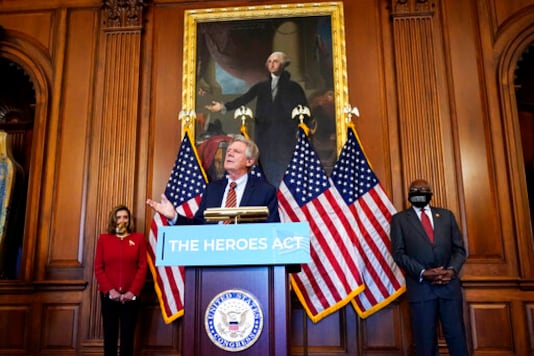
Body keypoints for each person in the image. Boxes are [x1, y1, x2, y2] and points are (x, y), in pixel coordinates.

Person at [205, 51, 308, 186]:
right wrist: (223, 107)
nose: (272, 64)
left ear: (283, 65)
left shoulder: (294, 88)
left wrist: (302, 130)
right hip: (264, 137)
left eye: (276, 61)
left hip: (285, 137)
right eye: (270, 61)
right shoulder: (262, 86)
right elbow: (244, 99)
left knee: (284, 169)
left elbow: (304, 111)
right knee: (266, 169)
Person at [390, 179, 468, 356]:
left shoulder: (446, 216)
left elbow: (459, 250)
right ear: (409, 194)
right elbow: (398, 254)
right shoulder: (399, 220)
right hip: (421, 289)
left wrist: (452, 270)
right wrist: (423, 272)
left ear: (430, 194)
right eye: (415, 190)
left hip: (449, 288)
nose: (419, 192)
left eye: (423, 190)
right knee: (425, 343)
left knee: (457, 340)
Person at [146, 134, 280, 224]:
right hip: (213, 259)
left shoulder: (265, 192)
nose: (229, 154)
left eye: (236, 152)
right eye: (228, 151)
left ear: (250, 161)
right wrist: (174, 216)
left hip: (249, 260)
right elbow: (198, 226)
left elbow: (273, 230)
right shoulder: (212, 189)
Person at [94, 205, 147, 356]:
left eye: (125, 217)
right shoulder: (104, 240)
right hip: (109, 296)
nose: (122, 220)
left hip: (131, 297)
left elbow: (142, 267)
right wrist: (111, 291)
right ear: (114, 220)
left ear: (129, 220)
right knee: (109, 336)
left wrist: (132, 292)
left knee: (128, 337)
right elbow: (98, 267)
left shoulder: (138, 239)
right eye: (119, 217)